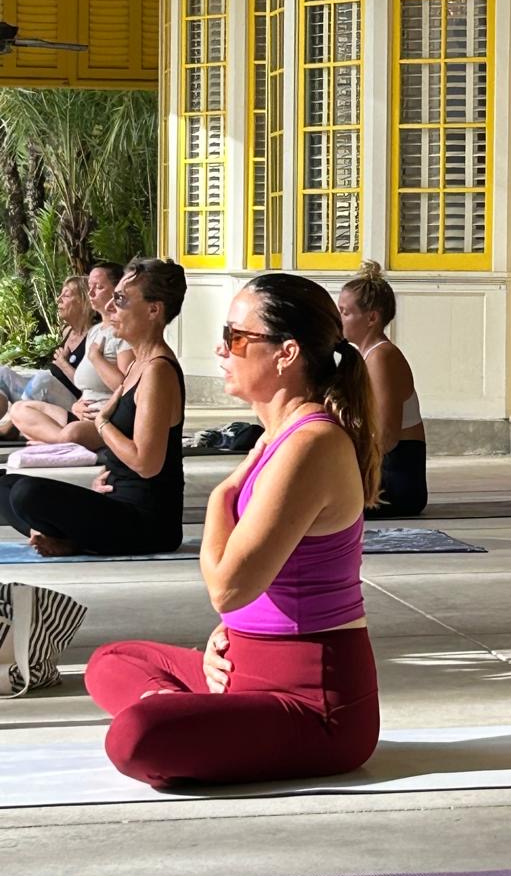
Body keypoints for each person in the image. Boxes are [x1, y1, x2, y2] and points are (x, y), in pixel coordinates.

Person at [85, 272, 381, 790]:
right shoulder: (278, 436)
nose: (222, 349)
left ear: (286, 354)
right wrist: (231, 640)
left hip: (314, 705)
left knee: (134, 738)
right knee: (111, 660)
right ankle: (187, 708)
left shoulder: (311, 444)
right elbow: (247, 595)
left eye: (236, 338)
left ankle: (182, 713)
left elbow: (228, 587)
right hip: (240, 670)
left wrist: (223, 495)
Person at [0, 258, 186, 557]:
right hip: (118, 500)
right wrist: (109, 471)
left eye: (121, 300)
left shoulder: (158, 371)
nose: (111, 308)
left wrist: (101, 423)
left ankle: (65, 535)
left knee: (27, 495)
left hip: (148, 523)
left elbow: (146, 463)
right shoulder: (141, 363)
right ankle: (65, 536)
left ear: (154, 310)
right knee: (6, 487)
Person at [337, 261, 427, 518]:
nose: (339, 319)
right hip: (381, 475)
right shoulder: (367, 357)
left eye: (345, 312)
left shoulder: (382, 357)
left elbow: (386, 436)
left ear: (372, 318)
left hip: (396, 483)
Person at [7, 262, 132, 447]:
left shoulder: (123, 333)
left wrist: (96, 358)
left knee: (72, 432)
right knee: (19, 409)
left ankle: (53, 440)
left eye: (99, 287)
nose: (91, 293)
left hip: (105, 421)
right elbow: (86, 388)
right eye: (90, 287)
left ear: (117, 290)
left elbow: (127, 388)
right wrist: (77, 405)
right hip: (82, 415)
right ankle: (57, 440)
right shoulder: (96, 332)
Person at [0, 273, 97, 436]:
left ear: (84, 301)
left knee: (43, 380)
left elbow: (91, 387)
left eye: (66, 295)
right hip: (45, 396)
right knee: (2, 373)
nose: (58, 299)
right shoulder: (67, 332)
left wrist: (64, 364)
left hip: (74, 406)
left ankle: (11, 428)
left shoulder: (94, 337)